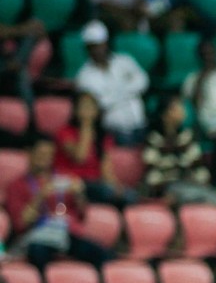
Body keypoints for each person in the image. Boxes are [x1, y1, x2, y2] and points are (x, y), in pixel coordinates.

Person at [4, 134, 114, 270]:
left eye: (49, 155)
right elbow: (20, 223)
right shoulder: (17, 185)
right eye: (41, 154)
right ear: (29, 153)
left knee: (101, 253)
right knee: (38, 251)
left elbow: (81, 214)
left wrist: (79, 194)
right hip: (38, 235)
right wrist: (40, 196)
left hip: (66, 233)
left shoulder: (64, 179)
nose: (45, 159)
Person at [74, 21, 148, 145]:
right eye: (93, 47)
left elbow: (143, 82)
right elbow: (100, 104)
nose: (97, 50)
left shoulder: (124, 61)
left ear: (106, 43)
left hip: (140, 125)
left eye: (100, 45)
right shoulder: (83, 76)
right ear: (87, 48)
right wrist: (128, 88)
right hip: (114, 132)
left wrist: (111, 94)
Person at [54, 92, 132, 208]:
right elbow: (80, 157)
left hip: (94, 182)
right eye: (83, 106)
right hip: (72, 182)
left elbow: (106, 167)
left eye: (91, 107)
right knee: (105, 192)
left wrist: (116, 187)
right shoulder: (65, 132)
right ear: (76, 110)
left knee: (129, 196)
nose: (87, 110)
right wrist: (86, 126)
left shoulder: (103, 136)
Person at [143, 98, 216, 206]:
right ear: (165, 114)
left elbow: (198, 167)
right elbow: (152, 173)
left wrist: (202, 182)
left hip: (190, 185)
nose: (182, 111)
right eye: (177, 108)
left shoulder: (187, 137)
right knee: (201, 197)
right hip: (168, 187)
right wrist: (160, 192)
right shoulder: (154, 139)